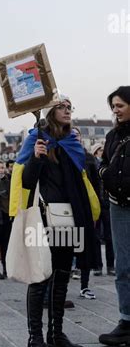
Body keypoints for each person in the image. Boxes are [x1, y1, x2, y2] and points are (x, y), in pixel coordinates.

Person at [10, 96, 100, 347]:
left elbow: (85, 176)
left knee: (62, 274)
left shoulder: (72, 142)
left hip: (68, 216)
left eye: (70, 106)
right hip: (42, 218)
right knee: (40, 276)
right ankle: (34, 341)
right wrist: (37, 159)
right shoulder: (36, 140)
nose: (68, 109)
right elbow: (25, 180)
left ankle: (56, 334)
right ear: (50, 112)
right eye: (61, 106)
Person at [98, 86, 130, 346]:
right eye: (113, 106)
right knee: (123, 266)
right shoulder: (112, 136)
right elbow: (103, 163)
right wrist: (103, 173)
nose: (116, 110)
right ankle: (126, 320)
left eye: (120, 105)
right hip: (118, 206)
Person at [72, 127, 98, 299]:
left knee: (86, 246)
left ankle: (85, 285)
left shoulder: (88, 158)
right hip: (68, 207)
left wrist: (98, 206)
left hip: (86, 206)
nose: (75, 138)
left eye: (77, 135)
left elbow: (96, 183)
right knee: (66, 245)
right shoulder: (61, 154)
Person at [91, 143, 115, 276]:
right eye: (99, 150)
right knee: (96, 237)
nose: (101, 152)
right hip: (96, 202)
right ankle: (98, 266)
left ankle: (110, 265)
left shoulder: (108, 164)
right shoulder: (92, 163)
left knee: (109, 236)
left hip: (106, 203)